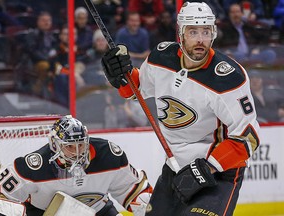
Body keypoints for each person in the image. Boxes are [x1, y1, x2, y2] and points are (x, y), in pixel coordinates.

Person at [101, 2, 260, 215]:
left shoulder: (228, 78)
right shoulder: (161, 57)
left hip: (218, 175)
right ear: (181, 34)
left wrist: (207, 167)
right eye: (193, 31)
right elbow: (136, 89)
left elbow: (249, 136)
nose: (201, 39)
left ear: (213, 32)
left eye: (206, 31)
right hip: (174, 169)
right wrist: (120, 76)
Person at [0, 115, 152, 216]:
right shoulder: (33, 166)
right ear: (55, 145)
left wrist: (147, 207)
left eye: (81, 145)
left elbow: (133, 189)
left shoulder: (109, 155)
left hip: (98, 210)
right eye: (70, 146)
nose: (77, 152)